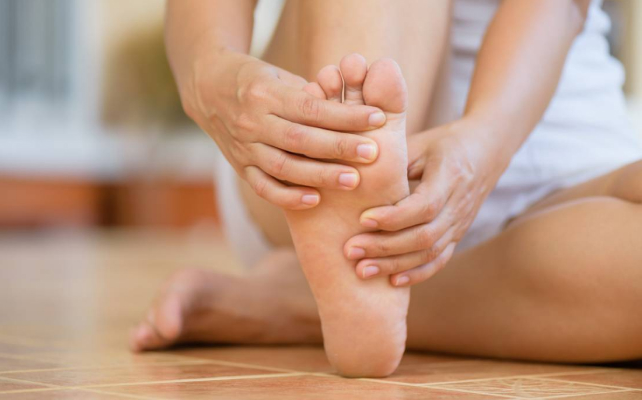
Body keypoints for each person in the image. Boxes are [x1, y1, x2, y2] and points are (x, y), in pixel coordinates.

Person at [130, 0, 642, 377]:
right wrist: (213, 74)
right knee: (360, 104)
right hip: (311, 149)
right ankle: (355, 237)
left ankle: (300, 302)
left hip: (550, 143)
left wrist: (483, 147)